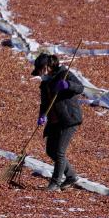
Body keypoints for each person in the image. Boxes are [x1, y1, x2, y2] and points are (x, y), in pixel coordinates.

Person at [33, 52, 84, 192]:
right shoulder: (45, 84)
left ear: (49, 66)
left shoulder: (64, 74)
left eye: (41, 69)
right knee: (51, 151)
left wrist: (67, 84)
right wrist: (42, 116)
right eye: (38, 71)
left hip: (69, 119)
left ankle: (55, 183)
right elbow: (44, 103)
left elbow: (80, 88)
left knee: (59, 152)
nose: (40, 73)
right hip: (54, 121)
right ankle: (71, 176)